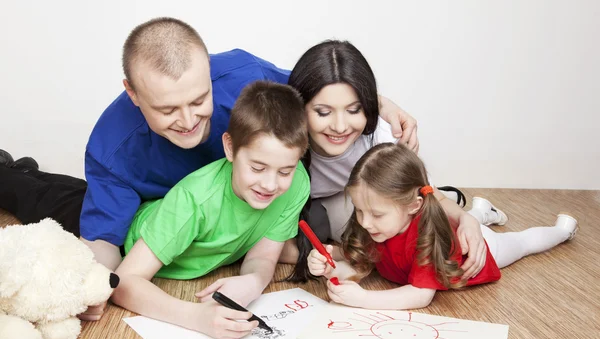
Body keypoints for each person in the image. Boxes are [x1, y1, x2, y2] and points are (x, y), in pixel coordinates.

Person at [0, 18, 417, 320]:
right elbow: (110, 249)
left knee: (308, 222)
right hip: (162, 210)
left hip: (229, 202)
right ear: (133, 93)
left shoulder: (244, 79)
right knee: (57, 201)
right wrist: (96, 285)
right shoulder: (112, 146)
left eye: (199, 100)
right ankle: (11, 172)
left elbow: (321, 86)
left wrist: (381, 105)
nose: (187, 119)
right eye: (167, 109)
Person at [284, 40, 501, 281]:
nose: (340, 126)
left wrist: (466, 218)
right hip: (331, 202)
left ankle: (478, 212)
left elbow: (432, 197)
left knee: (406, 236)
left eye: (354, 110)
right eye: (323, 113)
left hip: (370, 199)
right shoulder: (283, 141)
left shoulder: (381, 138)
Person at [111, 81, 309, 339]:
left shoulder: (298, 182)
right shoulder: (193, 200)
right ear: (229, 148)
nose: (271, 184)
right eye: (257, 168)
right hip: (130, 233)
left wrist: (254, 281)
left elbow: (264, 256)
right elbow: (122, 282)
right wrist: (196, 317)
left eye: (284, 171)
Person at [306, 143, 578, 310]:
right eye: (360, 210)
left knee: (522, 243)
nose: (364, 222)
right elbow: (354, 260)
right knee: (463, 218)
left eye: (376, 214)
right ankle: (480, 211)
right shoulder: (378, 224)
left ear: (413, 206)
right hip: (449, 223)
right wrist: (328, 263)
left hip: (478, 247)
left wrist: (364, 299)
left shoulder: (426, 235)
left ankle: (562, 231)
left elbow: (421, 295)